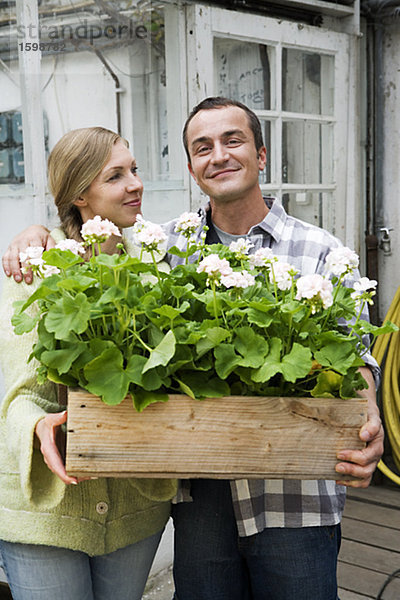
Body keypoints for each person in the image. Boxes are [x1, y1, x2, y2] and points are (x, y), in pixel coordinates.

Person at [2, 99, 384, 600]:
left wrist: (368, 409)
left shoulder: (323, 251)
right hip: (198, 492)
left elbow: (354, 354)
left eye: (233, 141)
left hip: (295, 493)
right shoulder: (165, 248)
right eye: (202, 147)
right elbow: (87, 229)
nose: (218, 156)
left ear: (262, 155)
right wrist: (34, 236)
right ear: (191, 168)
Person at [0, 127, 176, 600]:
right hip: (46, 514)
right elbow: (20, 394)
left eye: (135, 170)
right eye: (116, 176)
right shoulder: (37, 265)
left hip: (133, 506)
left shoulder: (157, 265)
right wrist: (39, 425)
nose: (136, 184)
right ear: (80, 194)